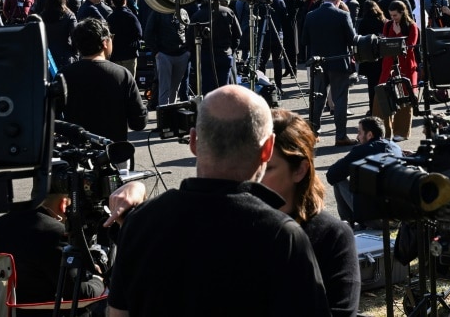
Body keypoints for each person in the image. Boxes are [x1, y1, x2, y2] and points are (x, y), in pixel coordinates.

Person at [104, 86, 330, 316]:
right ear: (267, 149)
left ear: (193, 142)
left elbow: (118, 313)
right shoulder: (281, 235)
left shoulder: (141, 222)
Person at [264, 109, 360, 317]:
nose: (253, 175)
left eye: (267, 168)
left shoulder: (331, 236)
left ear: (300, 170)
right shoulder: (236, 224)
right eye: (250, 164)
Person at [0, 169, 106, 313]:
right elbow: (82, 294)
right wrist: (98, 278)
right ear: (64, 205)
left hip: (4, 312)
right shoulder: (54, 232)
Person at [60, 18, 147, 145]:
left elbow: (53, 118)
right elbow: (139, 122)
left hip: (76, 152)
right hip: (114, 152)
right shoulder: (122, 75)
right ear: (105, 42)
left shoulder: (64, 75)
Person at [302, 0, 358, 146]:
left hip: (318, 62)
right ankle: (340, 136)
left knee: (317, 98)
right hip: (339, 61)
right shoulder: (343, 15)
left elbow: (304, 40)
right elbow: (352, 39)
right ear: (338, 0)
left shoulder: (311, 15)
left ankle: (313, 133)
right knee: (340, 100)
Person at [326, 116, 403, 224]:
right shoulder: (395, 147)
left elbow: (332, 175)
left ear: (370, 135)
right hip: (400, 217)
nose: (357, 137)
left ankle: (349, 223)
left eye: (359, 133)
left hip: (376, 219)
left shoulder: (364, 149)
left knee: (338, 180)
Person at [374, 0, 419, 142]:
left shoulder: (412, 26)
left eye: (395, 15)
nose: (393, 18)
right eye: (391, 15)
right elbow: (385, 43)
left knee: (404, 99)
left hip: (405, 67)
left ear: (402, 13)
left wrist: (399, 35)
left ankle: (401, 132)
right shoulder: (387, 25)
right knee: (381, 97)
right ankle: (382, 133)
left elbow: (410, 46)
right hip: (388, 66)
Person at [144, 10, 191, 106]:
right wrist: (157, 52)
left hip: (181, 54)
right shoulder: (157, 12)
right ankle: (164, 117)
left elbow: (188, 31)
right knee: (165, 89)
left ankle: (171, 114)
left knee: (174, 88)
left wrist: (187, 52)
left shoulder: (183, 12)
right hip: (164, 54)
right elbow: (148, 33)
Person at [357, 0, 388, 109]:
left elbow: (359, 37)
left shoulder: (364, 22)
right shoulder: (383, 21)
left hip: (369, 57)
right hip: (382, 56)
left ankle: (373, 108)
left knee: (371, 85)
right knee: (383, 83)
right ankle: (384, 107)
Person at [40, 0, 78, 70]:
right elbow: (75, 36)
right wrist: (75, 55)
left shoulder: (42, 16)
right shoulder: (69, 15)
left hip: (46, 56)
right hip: (65, 56)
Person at [107, 0, 143, 78]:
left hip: (115, 55)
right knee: (129, 82)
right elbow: (139, 33)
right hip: (129, 54)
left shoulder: (110, 18)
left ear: (113, 2)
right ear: (125, 0)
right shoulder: (131, 16)